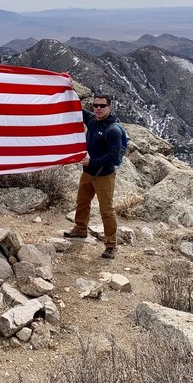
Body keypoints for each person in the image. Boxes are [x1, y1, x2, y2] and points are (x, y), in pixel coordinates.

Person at [63, 93, 122, 259]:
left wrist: (92, 162)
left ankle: (111, 244)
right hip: (87, 173)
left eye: (102, 106)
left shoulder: (113, 130)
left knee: (106, 210)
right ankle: (80, 230)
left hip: (104, 175)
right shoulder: (92, 120)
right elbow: (77, 111)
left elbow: (114, 157)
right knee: (82, 202)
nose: (98, 109)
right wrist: (68, 90)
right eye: (95, 105)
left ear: (109, 107)